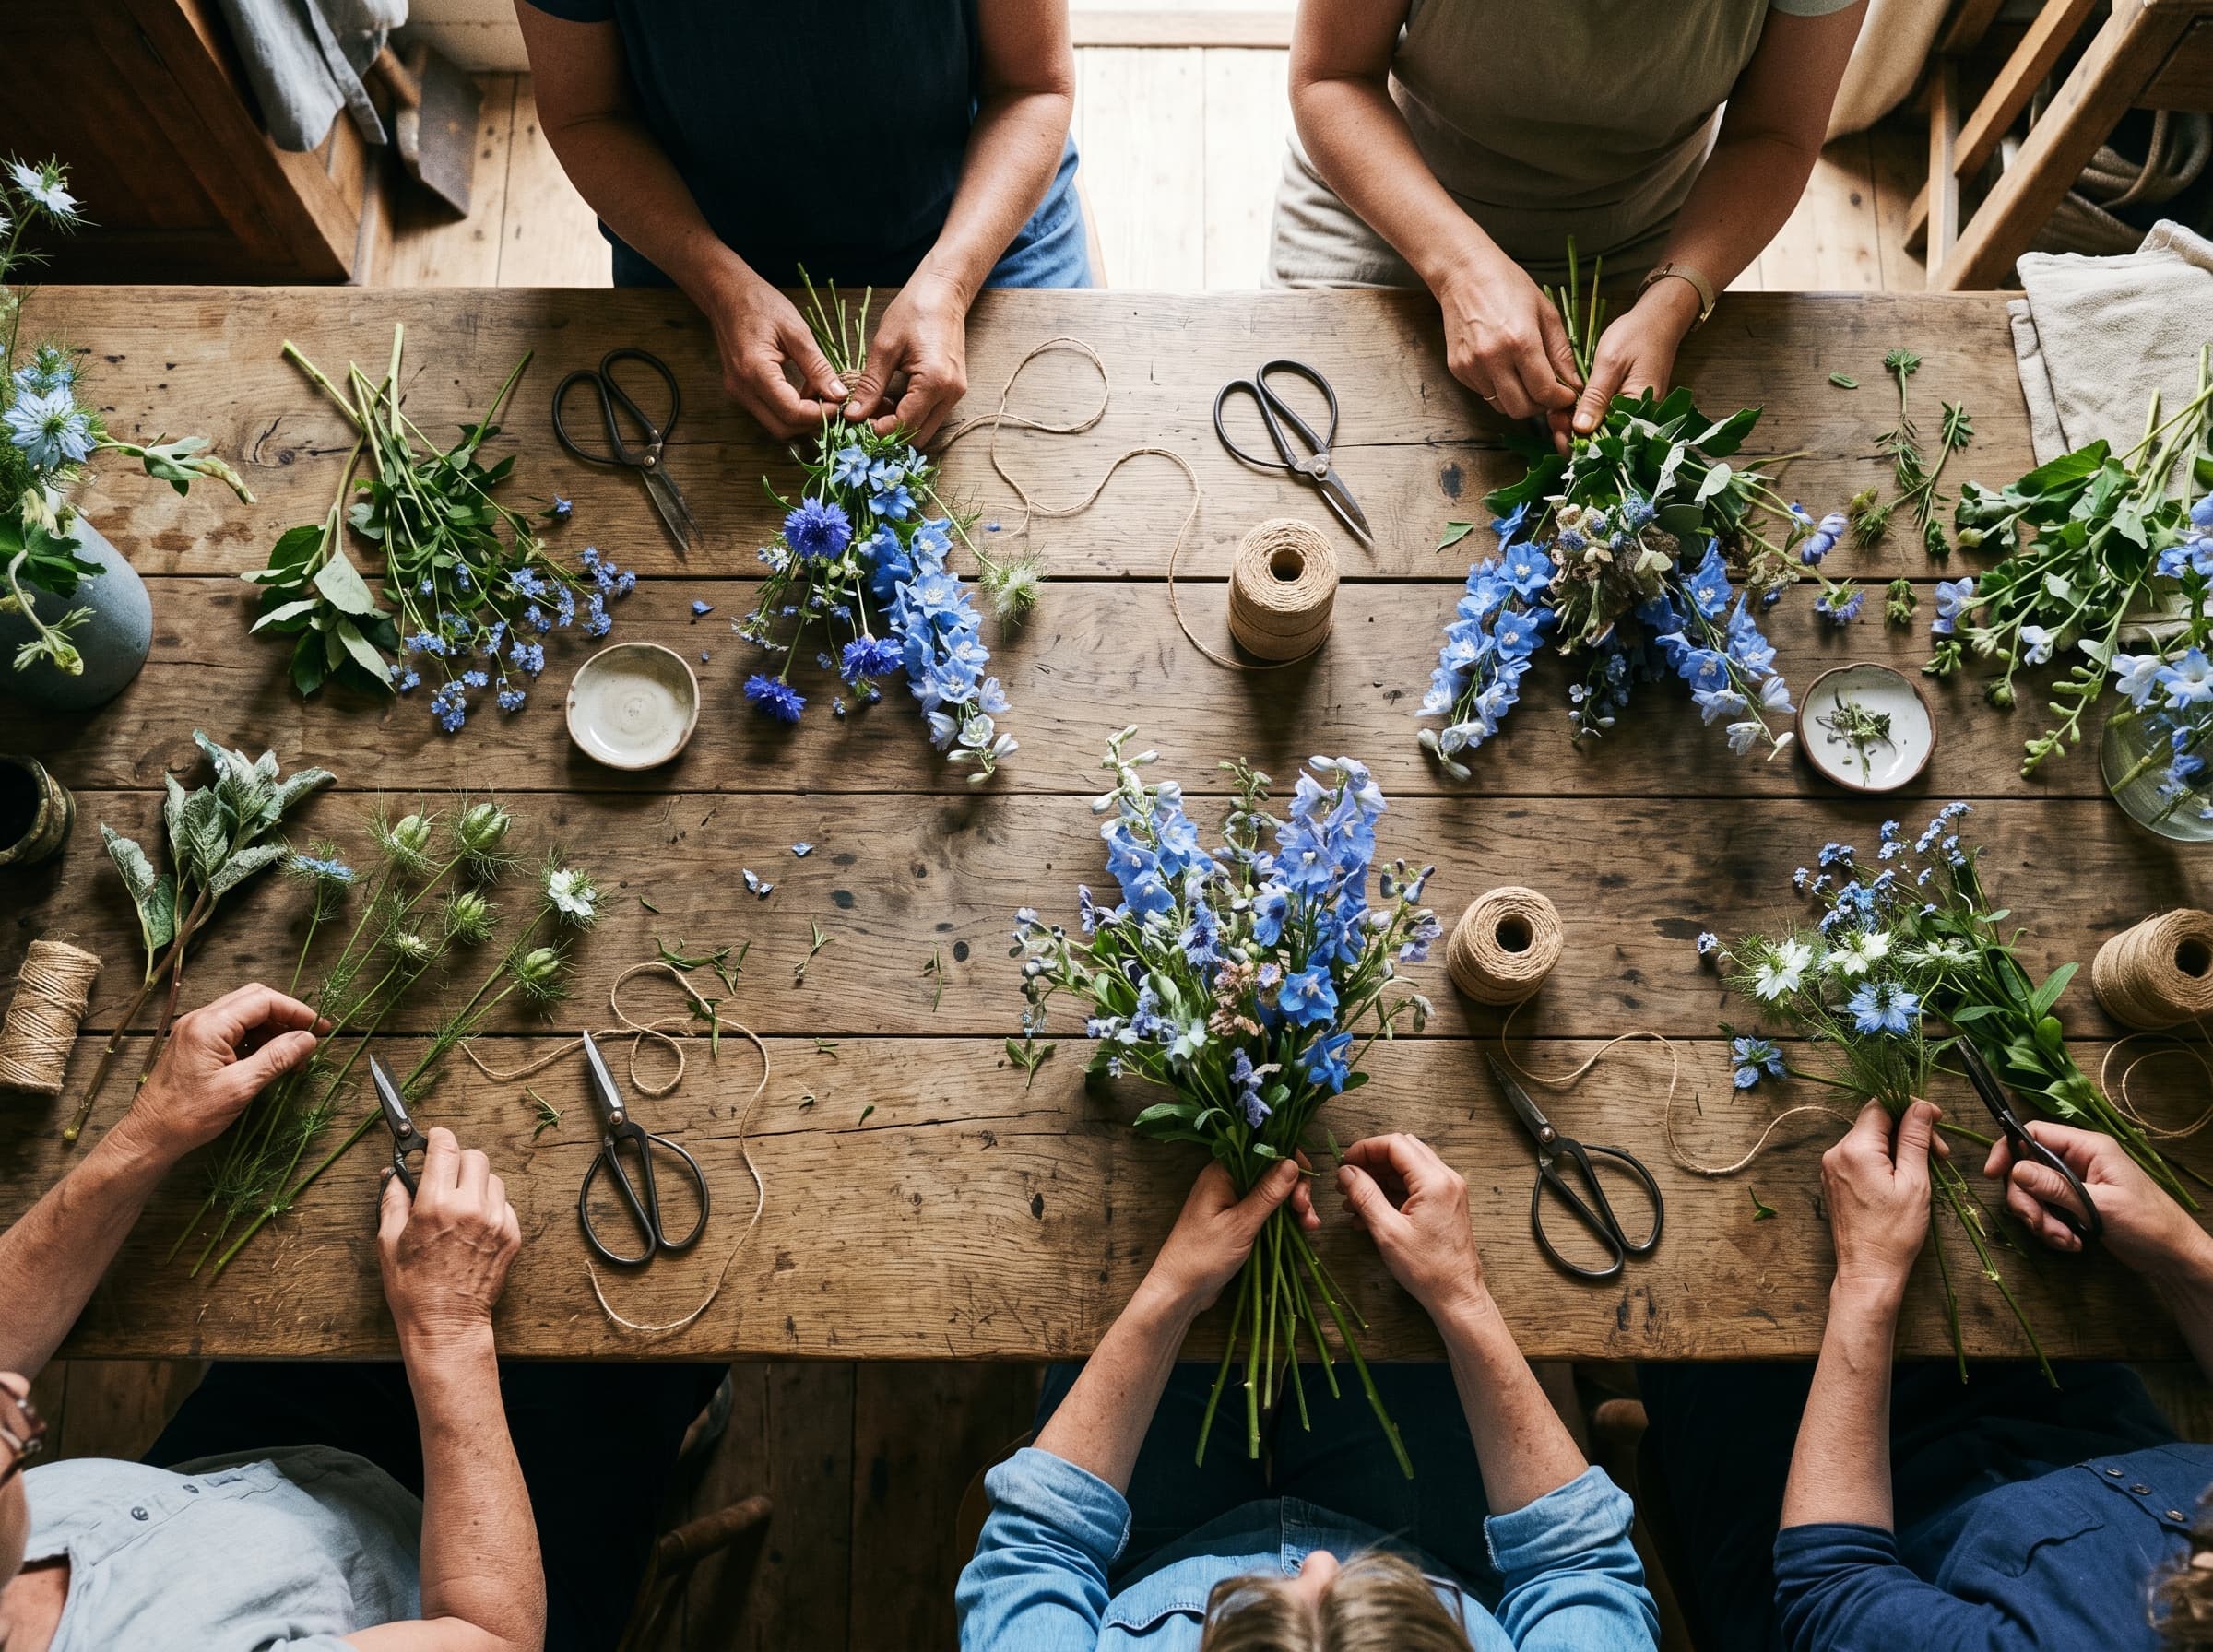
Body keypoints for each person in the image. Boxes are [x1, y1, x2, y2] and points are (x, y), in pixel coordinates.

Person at [0, 983, 724, 1651]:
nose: (13, 1406)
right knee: (649, 1366)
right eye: (14, 1435)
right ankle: (687, 1419)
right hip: (472, 1583)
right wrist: (448, 1322)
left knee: (339, 1340)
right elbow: (492, 1637)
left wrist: (150, 1132)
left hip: (244, 1469)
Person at [957, 1135, 1660, 1648]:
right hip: (1433, 1546)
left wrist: (1173, 1291)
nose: (1321, 1564)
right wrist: (1459, 1296)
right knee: (1379, 1288)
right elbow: (1577, 1567)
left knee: (1156, 1193)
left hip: (1144, 1550)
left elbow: (1039, 1550)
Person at [1639, 1098, 2213, 1651]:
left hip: (1845, 1521)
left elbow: (1830, 1588)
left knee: (1682, 1303)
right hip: (2079, 1414)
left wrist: (1868, 1282)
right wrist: (2183, 1252)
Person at [1274, 0, 1866, 445]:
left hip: (1647, 242)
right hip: (1392, 209)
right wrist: (1460, 269)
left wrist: (1673, 299)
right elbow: (1332, 78)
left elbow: (1776, 133)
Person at [514, 0, 1089, 446]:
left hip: (974, 224)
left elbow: (1032, 86)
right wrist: (722, 289)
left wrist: (950, 283)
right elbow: (585, 113)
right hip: (698, 245)